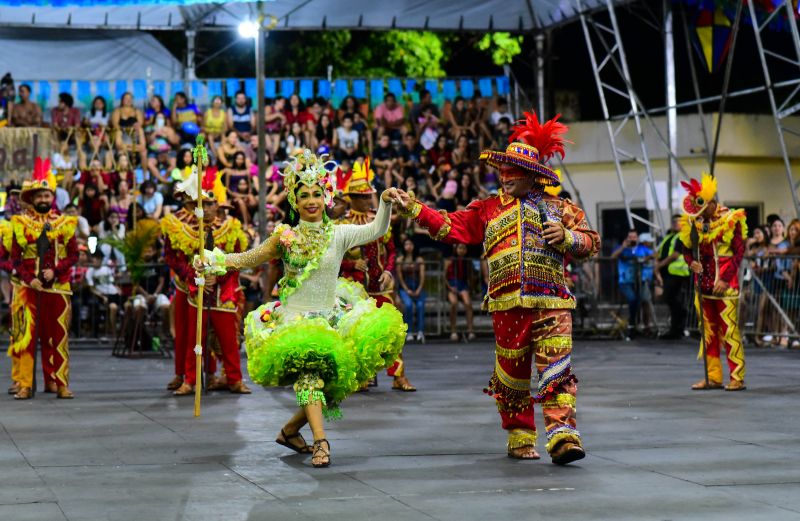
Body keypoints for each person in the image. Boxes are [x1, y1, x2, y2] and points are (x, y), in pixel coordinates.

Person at [389, 111, 600, 464]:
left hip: (552, 303)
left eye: (512, 172)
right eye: (502, 171)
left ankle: (563, 436)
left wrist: (567, 237)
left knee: (557, 369)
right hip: (506, 306)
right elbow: (449, 225)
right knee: (512, 373)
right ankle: (519, 435)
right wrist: (415, 209)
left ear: (532, 176)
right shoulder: (486, 209)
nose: (504, 178)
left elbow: (592, 242)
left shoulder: (558, 207)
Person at [195, 148, 405, 467]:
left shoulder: (340, 234)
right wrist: (212, 260)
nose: (311, 200)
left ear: (326, 196)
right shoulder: (285, 237)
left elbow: (377, 230)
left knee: (334, 382)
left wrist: (386, 202)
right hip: (295, 321)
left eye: (316, 194)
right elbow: (248, 258)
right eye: (304, 194)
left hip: (332, 316)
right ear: (294, 200)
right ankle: (322, 442)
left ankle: (291, 430)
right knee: (309, 378)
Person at [170, 170, 252, 396]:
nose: (205, 209)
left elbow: (237, 259)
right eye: (201, 204)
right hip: (197, 290)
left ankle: (235, 379)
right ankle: (190, 379)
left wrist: (219, 275)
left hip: (224, 293)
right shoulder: (187, 230)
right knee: (194, 341)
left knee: (228, 340)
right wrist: (196, 275)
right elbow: (178, 259)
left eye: (209, 204)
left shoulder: (231, 228)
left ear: (218, 204)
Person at [338, 159, 415, 392]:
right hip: (356, 289)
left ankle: (399, 375)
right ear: (351, 197)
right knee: (357, 332)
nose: (367, 200)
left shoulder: (379, 218)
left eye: (369, 195)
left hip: (381, 285)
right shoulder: (341, 224)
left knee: (392, 331)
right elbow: (332, 258)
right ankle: (361, 375)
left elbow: (391, 250)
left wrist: (389, 270)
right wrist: (351, 264)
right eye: (362, 197)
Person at [9, 158, 78, 399]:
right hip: (29, 290)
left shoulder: (65, 223)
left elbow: (74, 255)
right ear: (31, 199)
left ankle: (59, 383)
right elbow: (15, 259)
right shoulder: (19, 223)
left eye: (46, 196)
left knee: (57, 338)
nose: (43, 200)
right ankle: (25, 384)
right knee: (26, 339)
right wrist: (30, 279)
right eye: (38, 196)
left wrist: (55, 271)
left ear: (53, 197)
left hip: (58, 288)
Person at [679, 174, 747, 391]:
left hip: (726, 287)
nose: (700, 214)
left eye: (702, 208)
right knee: (708, 332)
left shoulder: (731, 218)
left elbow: (738, 253)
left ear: (712, 203)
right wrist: (691, 263)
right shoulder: (695, 223)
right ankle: (713, 377)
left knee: (729, 331)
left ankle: (737, 376)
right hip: (704, 286)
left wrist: (725, 279)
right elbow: (686, 249)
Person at [656, 215, 690, 340]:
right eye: (674, 221)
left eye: (679, 222)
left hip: (677, 273)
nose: (676, 224)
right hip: (668, 272)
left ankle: (678, 326)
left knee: (672, 299)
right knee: (671, 299)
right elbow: (660, 252)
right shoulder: (669, 236)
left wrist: (659, 265)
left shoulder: (682, 236)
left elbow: (675, 255)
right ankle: (676, 329)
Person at [610, 229, 651, 334]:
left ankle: (645, 326)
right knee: (633, 299)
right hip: (625, 281)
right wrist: (623, 247)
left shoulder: (642, 248)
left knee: (644, 301)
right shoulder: (621, 248)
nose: (632, 239)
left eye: (634, 237)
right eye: (630, 237)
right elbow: (612, 257)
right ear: (627, 238)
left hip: (640, 280)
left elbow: (654, 255)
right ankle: (632, 324)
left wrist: (646, 258)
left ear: (637, 238)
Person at [396, 238, 427, 343]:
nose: (408, 246)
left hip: (417, 286)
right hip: (405, 287)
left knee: (420, 305)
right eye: (406, 244)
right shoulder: (400, 260)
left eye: (410, 244)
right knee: (408, 305)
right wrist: (406, 289)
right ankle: (408, 332)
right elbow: (400, 277)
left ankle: (420, 332)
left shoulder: (419, 260)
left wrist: (419, 289)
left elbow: (423, 276)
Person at [444, 243, 476, 342]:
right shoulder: (449, 260)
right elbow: (443, 277)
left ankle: (470, 330)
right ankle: (453, 331)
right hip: (451, 285)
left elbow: (471, 277)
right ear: (456, 249)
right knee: (454, 303)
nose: (461, 250)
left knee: (468, 304)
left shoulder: (468, 262)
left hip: (463, 285)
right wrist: (450, 287)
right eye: (460, 248)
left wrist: (470, 288)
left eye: (464, 248)